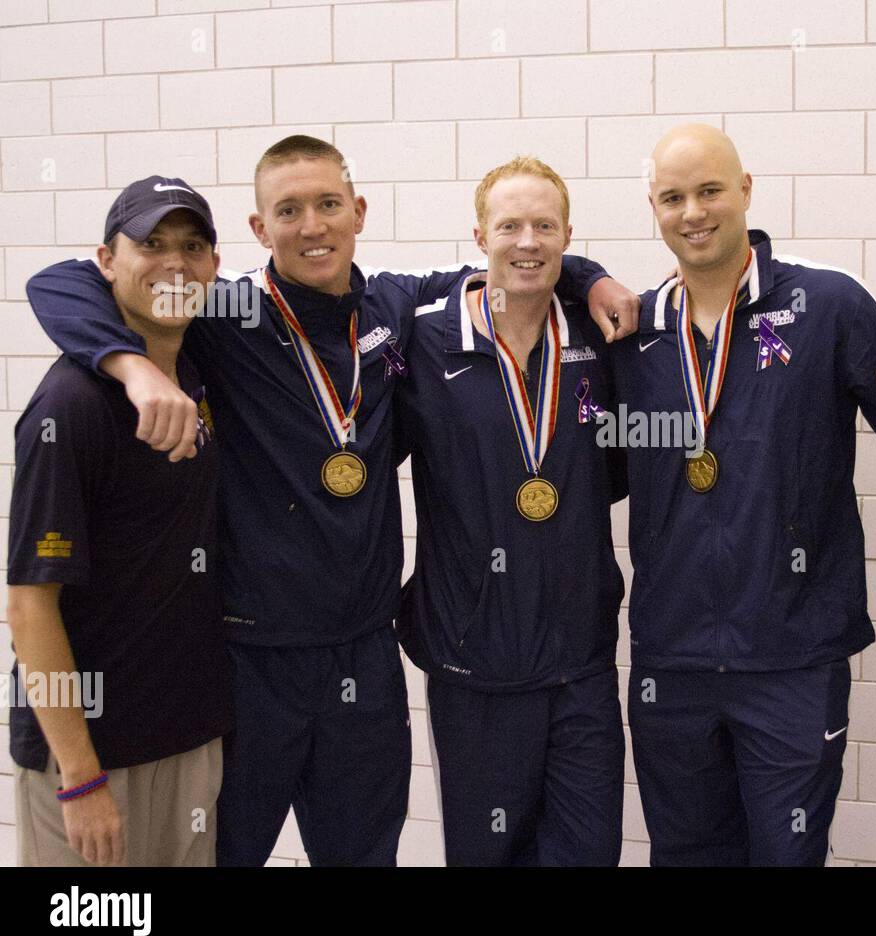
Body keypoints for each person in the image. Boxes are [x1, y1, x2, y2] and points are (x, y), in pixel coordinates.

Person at [23, 136, 636, 867]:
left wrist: (592, 277)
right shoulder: (226, 314)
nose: (311, 225)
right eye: (288, 210)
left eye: (327, 205)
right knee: (229, 853)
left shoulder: (398, 302)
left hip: (367, 656)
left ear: (358, 213)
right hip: (252, 661)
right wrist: (132, 370)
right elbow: (62, 282)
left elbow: (519, 265)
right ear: (259, 230)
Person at [614, 124, 876, 866]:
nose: (694, 212)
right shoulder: (635, 333)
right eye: (673, 197)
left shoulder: (828, 305)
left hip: (792, 660)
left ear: (745, 191)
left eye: (710, 190)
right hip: (670, 662)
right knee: (685, 856)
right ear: (653, 206)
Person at [396, 156, 626, 866]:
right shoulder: (423, 339)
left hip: (582, 666)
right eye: (509, 226)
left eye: (544, 226)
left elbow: (613, 474)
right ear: (478, 235)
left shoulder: (602, 336)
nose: (527, 241)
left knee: (588, 856)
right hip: (476, 669)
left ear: (567, 236)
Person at [8, 177, 231, 866]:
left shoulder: (200, 369)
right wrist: (80, 779)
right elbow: (27, 606)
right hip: (92, 762)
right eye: (151, 245)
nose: (174, 263)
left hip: (187, 741)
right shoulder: (69, 407)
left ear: (215, 268)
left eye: (192, 247)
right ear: (106, 261)